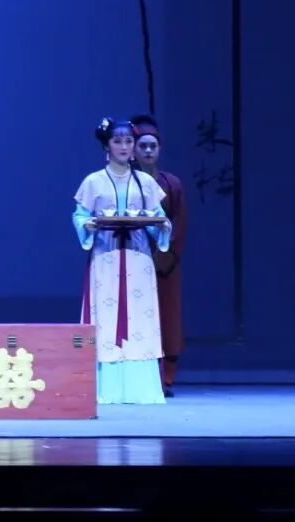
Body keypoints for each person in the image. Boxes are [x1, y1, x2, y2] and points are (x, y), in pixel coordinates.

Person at [72, 117, 172, 404]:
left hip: (138, 258)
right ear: (107, 145)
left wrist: (162, 225)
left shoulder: (145, 182)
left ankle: (141, 388)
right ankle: (103, 387)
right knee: (104, 317)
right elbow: (80, 215)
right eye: (118, 141)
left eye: (129, 141)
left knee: (140, 318)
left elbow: (157, 217)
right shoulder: (93, 181)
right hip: (106, 256)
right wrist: (87, 224)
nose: (124, 146)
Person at [131, 114, 189, 397]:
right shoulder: (125, 183)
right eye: (142, 146)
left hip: (164, 261)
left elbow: (180, 222)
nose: (148, 151)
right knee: (135, 317)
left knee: (167, 316)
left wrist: (166, 255)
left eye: (152, 146)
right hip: (133, 260)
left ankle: (165, 378)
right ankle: (136, 377)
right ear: (133, 150)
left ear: (160, 149)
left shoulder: (171, 183)